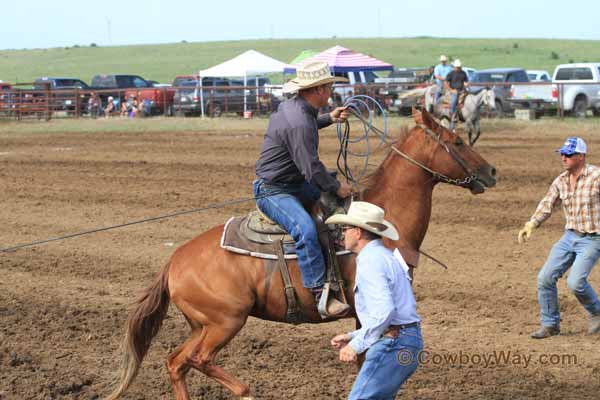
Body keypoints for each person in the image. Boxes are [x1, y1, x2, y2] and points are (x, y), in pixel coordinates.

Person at [254, 61, 353, 318]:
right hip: (274, 191)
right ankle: (319, 292)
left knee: (333, 209)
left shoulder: (295, 108)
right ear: (318, 90)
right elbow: (311, 168)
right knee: (306, 230)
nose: (331, 91)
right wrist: (336, 186)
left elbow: (306, 126)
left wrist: (328, 119)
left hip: (292, 184)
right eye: (329, 86)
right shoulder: (299, 120)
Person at [326, 201, 422, 400]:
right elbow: (391, 312)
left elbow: (385, 312)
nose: (343, 233)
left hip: (393, 344)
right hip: (405, 341)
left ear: (358, 232)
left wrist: (357, 344)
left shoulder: (370, 261)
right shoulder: (385, 257)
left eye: (345, 228)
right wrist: (353, 335)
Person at [518, 137, 600, 339]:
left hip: (593, 238)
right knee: (544, 278)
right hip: (570, 236)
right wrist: (532, 223)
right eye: (562, 153)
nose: (563, 157)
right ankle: (550, 324)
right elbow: (547, 204)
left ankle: (597, 313)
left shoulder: (597, 176)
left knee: (575, 282)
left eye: (568, 154)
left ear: (580, 157)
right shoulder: (561, 181)